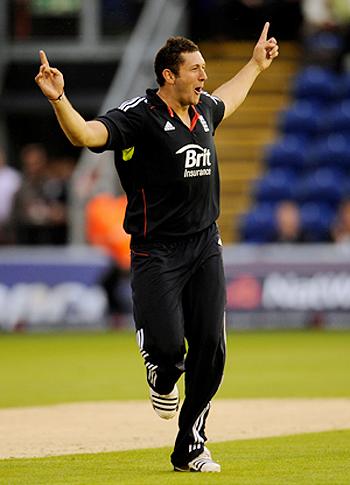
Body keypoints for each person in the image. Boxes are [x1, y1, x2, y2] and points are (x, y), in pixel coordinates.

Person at [35, 23, 278, 472]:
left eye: (204, 69)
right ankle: (161, 372)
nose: (204, 76)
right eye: (196, 69)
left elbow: (231, 95)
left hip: (205, 243)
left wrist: (256, 65)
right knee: (170, 352)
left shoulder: (203, 108)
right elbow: (86, 136)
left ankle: (191, 443)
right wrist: (58, 99)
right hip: (157, 251)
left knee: (212, 348)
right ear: (169, 75)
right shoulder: (138, 116)